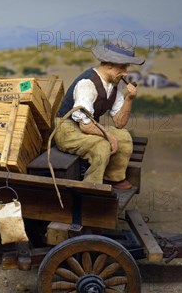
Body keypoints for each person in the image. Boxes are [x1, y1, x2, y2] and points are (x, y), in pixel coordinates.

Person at [54, 39, 145, 189]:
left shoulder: (113, 86)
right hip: (67, 128)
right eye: (122, 67)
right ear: (109, 63)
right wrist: (108, 136)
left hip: (90, 125)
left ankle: (113, 178)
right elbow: (84, 125)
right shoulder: (87, 84)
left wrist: (129, 99)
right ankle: (91, 187)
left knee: (124, 137)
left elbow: (119, 123)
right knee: (102, 146)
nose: (125, 73)